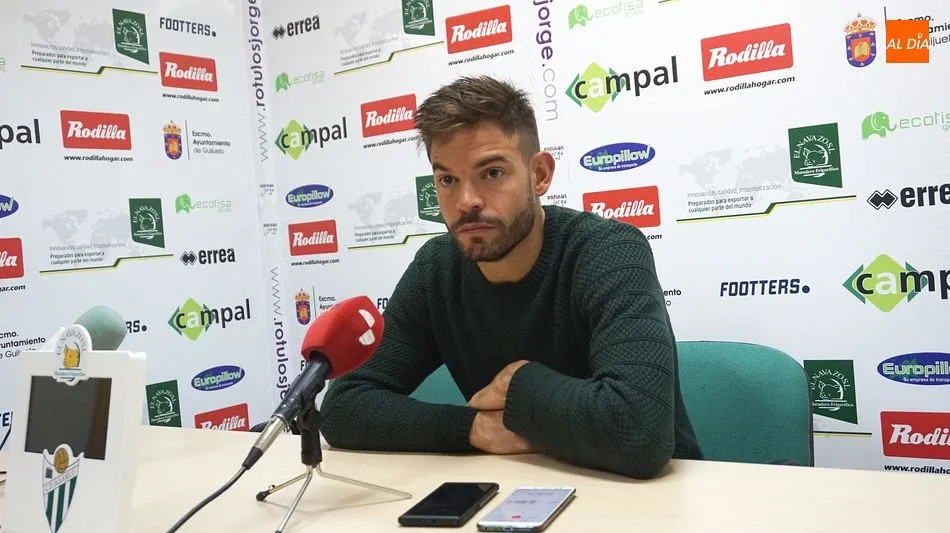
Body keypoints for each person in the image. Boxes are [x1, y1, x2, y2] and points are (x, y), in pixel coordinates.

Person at [321, 75, 703, 479]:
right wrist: (473, 428)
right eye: (447, 180)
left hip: (652, 498)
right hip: (520, 490)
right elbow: (345, 403)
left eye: (492, 174)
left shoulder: (608, 251)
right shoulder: (436, 269)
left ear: (539, 174)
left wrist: (518, 384)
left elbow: (639, 430)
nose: (466, 201)